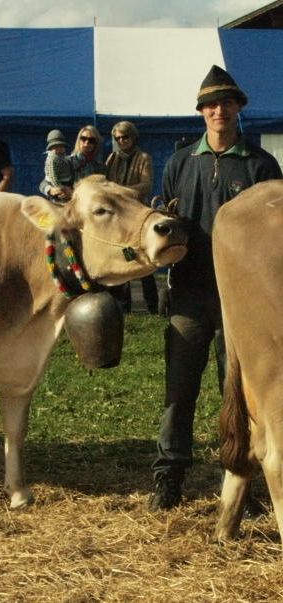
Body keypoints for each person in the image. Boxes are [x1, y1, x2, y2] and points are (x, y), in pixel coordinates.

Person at [149, 65, 283, 511]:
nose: (218, 111)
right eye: (210, 105)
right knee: (179, 389)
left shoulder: (261, 165)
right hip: (191, 293)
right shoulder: (181, 163)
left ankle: (243, 481)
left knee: (247, 393)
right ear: (201, 112)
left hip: (245, 302)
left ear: (238, 108)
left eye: (225, 103)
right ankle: (169, 475)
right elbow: (167, 220)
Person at [105, 121, 158, 314]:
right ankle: (124, 308)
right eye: (117, 138)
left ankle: (152, 307)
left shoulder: (144, 157)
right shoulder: (112, 158)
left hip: (137, 216)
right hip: (119, 217)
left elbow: (146, 185)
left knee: (143, 260)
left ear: (133, 137)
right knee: (124, 259)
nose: (121, 141)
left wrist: (119, 191)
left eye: (124, 137)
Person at [39, 125, 105, 201]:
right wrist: (51, 190)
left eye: (91, 140)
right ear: (78, 141)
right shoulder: (67, 161)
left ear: (96, 143)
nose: (86, 143)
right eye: (83, 139)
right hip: (66, 205)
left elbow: (101, 192)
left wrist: (73, 193)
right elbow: (44, 183)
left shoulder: (100, 167)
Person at [42, 129, 74, 203]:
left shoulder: (65, 158)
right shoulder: (52, 159)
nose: (59, 149)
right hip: (57, 187)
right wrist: (59, 188)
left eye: (61, 146)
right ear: (50, 149)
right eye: (55, 147)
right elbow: (52, 177)